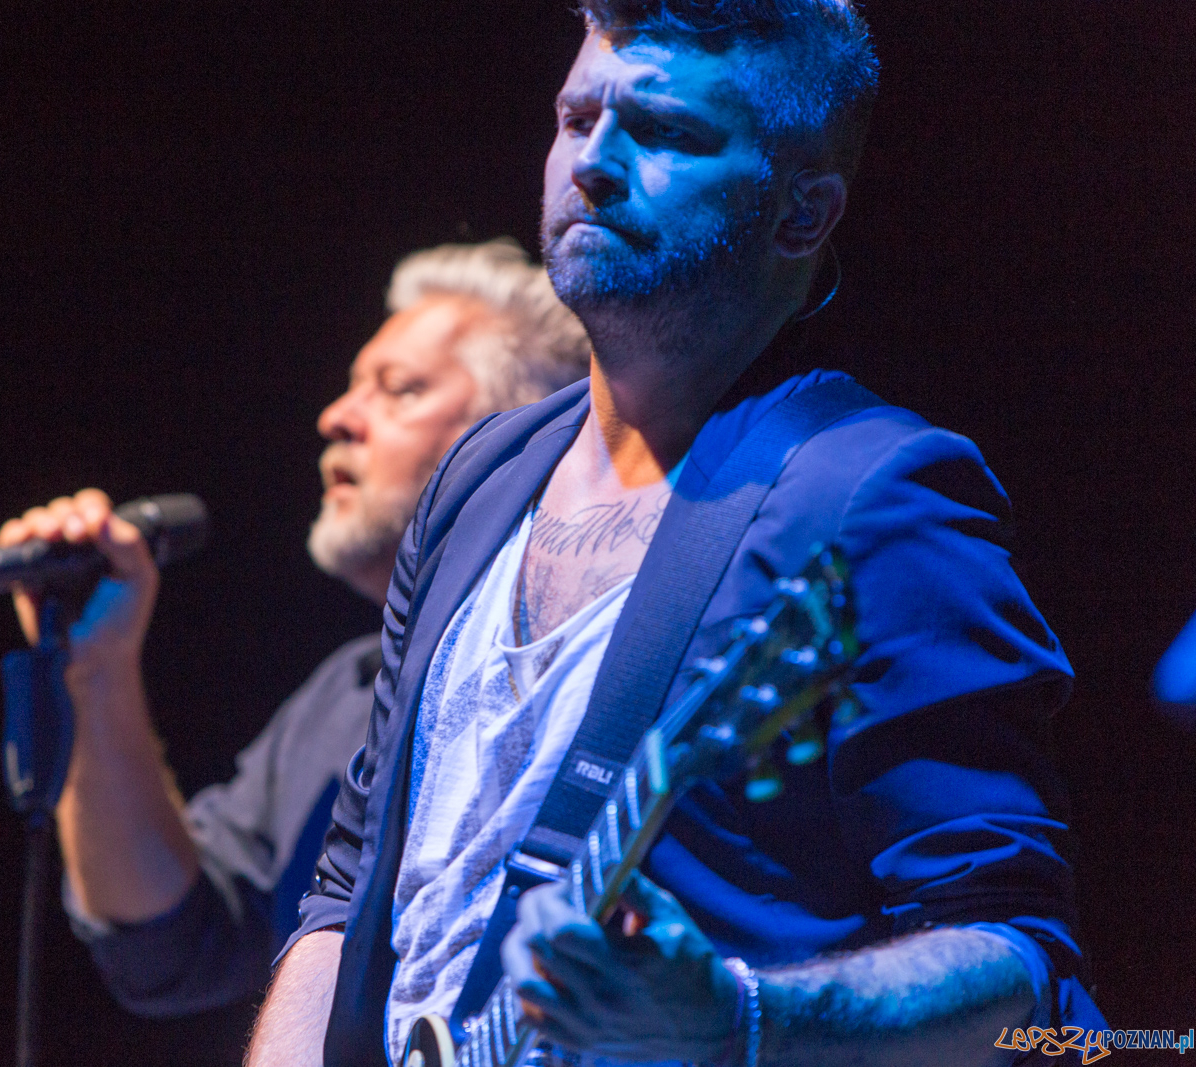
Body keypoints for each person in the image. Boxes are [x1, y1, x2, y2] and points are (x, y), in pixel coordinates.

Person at [249, 4, 1108, 1067]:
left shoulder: (871, 495)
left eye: (665, 134)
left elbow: (1023, 965)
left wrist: (742, 1021)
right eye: (576, 118)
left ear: (803, 214)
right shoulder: (478, 476)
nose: (595, 164)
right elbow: (349, 889)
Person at [0, 239, 590, 1026]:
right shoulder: (344, 694)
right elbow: (168, 945)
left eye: (398, 389)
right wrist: (93, 671)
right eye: (350, 389)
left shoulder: (586, 659)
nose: (337, 417)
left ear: (518, 434)